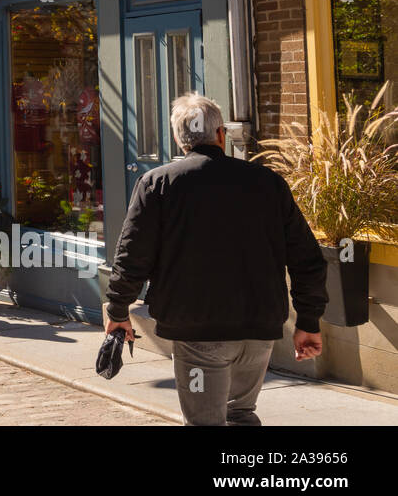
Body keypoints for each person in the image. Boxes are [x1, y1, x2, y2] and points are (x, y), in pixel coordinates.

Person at [104, 93, 328, 426]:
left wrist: (117, 310)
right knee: (241, 414)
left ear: (180, 139)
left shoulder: (157, 184)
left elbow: (132, 256)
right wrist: (308, 322)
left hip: (198, 331)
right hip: (258, 328)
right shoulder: (268, 183)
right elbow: (307, 258)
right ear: (220, 134)